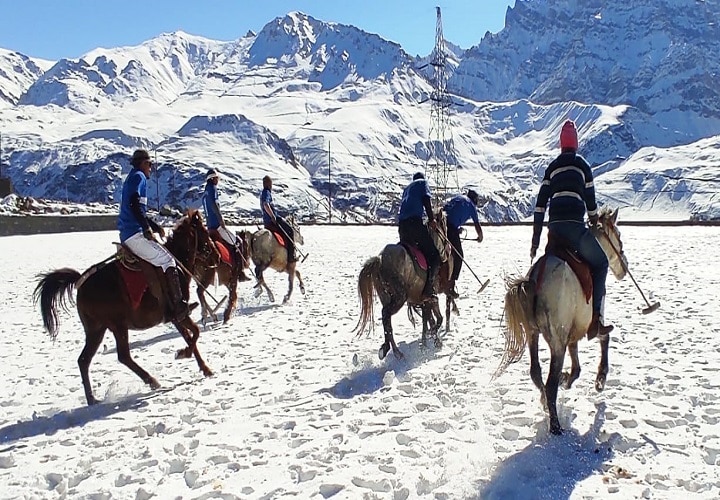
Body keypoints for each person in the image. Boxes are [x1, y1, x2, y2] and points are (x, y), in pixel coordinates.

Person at [530, 120, 613, 340]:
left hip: (554, 231)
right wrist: (594, 220)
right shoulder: (583, 166)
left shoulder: (552, 168)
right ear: (575, 143)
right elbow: (591, 204)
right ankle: (596, 318)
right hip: (576, 231)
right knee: (602, 263)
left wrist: (535, 242)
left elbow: (539, 206)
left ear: (560, 143)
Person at [118, 149, 195, 321]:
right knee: (168, 260)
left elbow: (139, 210)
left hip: (130, 232)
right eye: (150, 164)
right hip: (134, 234)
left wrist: (155, 226)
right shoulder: (138, 176)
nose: (151, 168)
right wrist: (146, 228)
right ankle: (179, 306)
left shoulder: (133, 176)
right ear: (142, 163)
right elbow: (133, 204)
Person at [398, 172, 440, 301]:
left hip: (402, 227)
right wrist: (432, 220)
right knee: (434, 256)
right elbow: (426, 200)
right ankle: (428, 289)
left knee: (412, 254)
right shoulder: (422, 183)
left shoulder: (407, 189)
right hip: (415, 225)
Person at [202, 168, 250, 281]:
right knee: (238, 242)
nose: (218, 180)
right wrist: (221, 220)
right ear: (213, 178)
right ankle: (240, 272)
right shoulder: (212, 188)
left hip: (209, 227)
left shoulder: (205, 192)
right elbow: (214, 205)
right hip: (217, 226)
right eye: (217, 178)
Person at [443, 189, 484, 298]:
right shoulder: (471, 206)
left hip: (441, 224)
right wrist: (480, 237)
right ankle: (451, 285)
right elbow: (477, 224)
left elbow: (449, 211)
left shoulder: (458, 198)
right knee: (459, 255)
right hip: (451, 228)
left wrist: (457, 228)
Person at [260, 175, 296, 263]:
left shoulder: (262, 193)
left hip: (266, 220)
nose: (271, 185)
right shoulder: (266, 193)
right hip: (272, 220)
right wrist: (272, 216)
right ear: (268, 184)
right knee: (290, 230)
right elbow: (266, 204)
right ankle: (291, 256)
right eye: (271, 183)